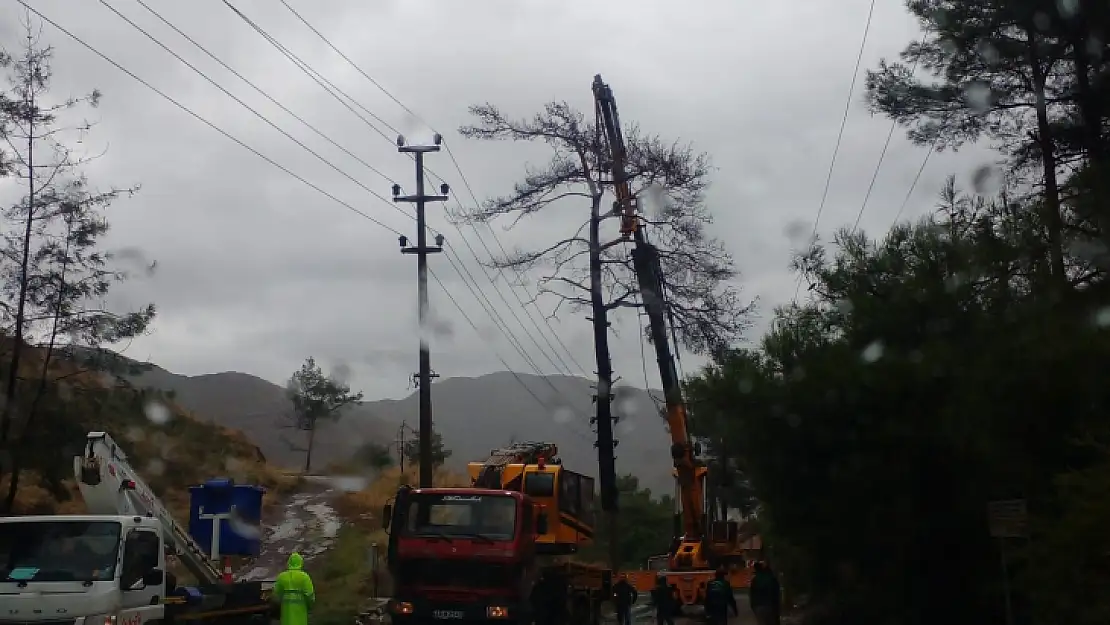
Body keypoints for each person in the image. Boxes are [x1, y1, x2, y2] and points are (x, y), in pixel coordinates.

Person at [272, 552, 316, 625]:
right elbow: (310, 596)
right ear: (301, 563)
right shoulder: (304, 577)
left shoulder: (282, 577)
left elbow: (276, 596)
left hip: (286, 616)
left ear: (288, 562)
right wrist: (309, 608)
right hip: (301, 615)